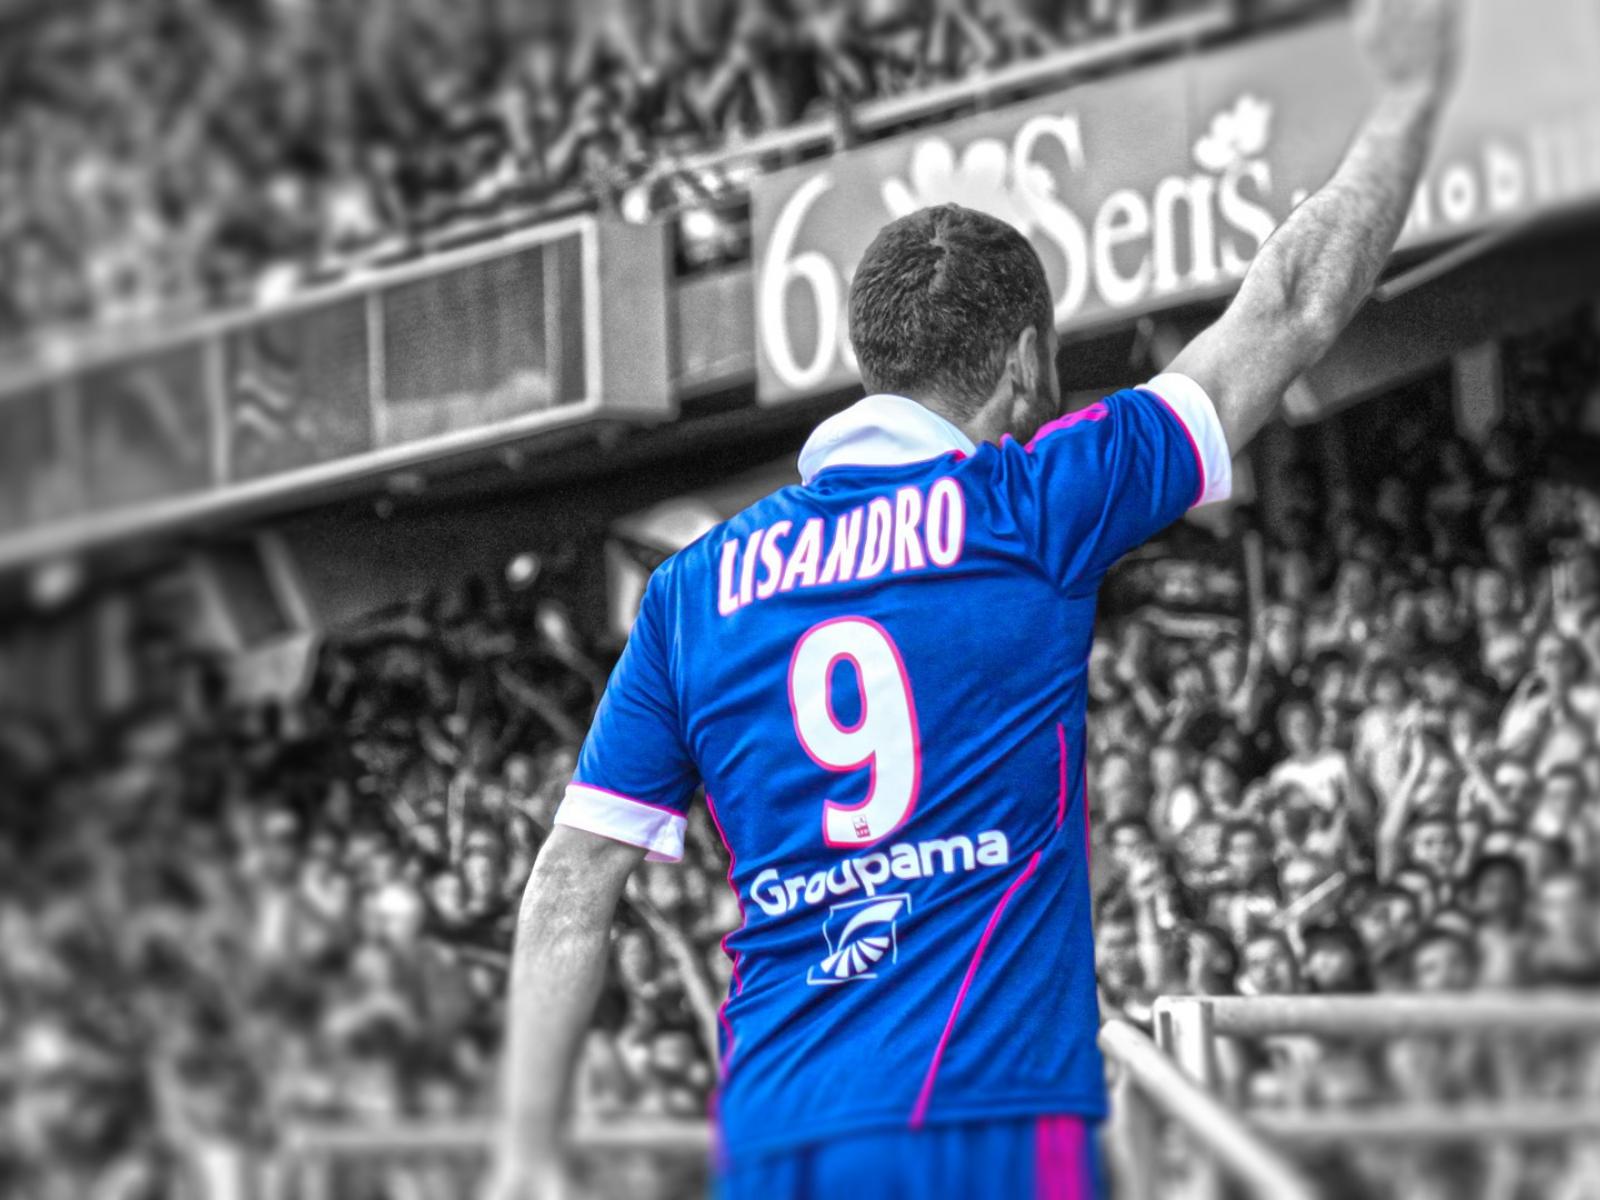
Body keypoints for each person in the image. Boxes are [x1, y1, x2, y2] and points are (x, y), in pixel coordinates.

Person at [486, 2, 1463, 1194]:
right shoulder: (1032, 504)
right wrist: (1410, 97)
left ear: (871, 364)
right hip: (983, 1110)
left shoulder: (688, 593)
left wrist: (525, 1153)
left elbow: (569, 887)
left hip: (782, 1129)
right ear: (1027, 367)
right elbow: (1293, 304)